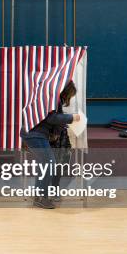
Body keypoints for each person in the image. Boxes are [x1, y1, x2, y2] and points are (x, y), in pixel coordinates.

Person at [21, 81, 79, 209]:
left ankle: (39, 197)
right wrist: (72, 117)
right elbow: (51, 118)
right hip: (35, 133)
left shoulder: (49, 96)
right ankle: (42, 198)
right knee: (49, 163)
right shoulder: (53, 98)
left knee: (45, 164)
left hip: (32, 132)